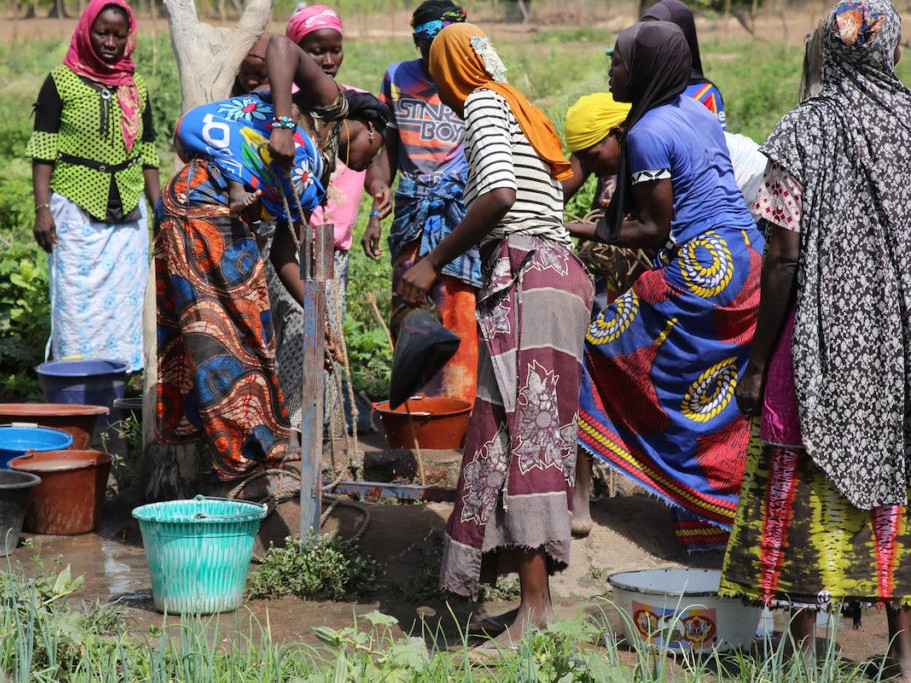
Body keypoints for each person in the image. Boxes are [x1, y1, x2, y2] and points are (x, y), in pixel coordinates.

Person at [720, 0, 911, 673]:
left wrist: (753, 359)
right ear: (889, 50)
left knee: (799, 477)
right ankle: (901, 656)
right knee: (895, 480)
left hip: (815, 343)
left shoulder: (800, 131)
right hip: (898, 345)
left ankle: (798, 649)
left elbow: (781, 256)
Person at [398, 23, 593, 647]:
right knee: (498, 436)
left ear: (453, 68)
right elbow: (552, 186)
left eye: (436, 68)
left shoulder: (483, 103)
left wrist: (432, 261)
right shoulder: (516, 106)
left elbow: (501, 193)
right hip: (555, 275)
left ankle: (535, 613)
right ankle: (487, 600)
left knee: (526, 438)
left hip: (530, 274)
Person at [155, 35, 386, 490]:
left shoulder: (314, 177)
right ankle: (245, 467)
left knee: (236, 339)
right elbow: (281, 45)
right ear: (369, 129)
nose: (367, 164)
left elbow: (284, 254)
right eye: (374, 152)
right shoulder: (332, 106)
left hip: (209, 211)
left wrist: (320, 322)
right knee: (233, 341)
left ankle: (243, 465)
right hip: (203, 203)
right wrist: (281, 124)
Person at [575, 21, 764, 552]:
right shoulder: (697, 112)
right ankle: (711, 517)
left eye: (617, 61)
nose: (610, 71)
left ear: (643, 69)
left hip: (706, 267)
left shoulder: (648, 130)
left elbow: (654, 229)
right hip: (748, 257)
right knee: (711, 388)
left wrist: (572, 226)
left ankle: (581, 498)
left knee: (599, 348)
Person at [272, 4, 388, 433]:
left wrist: (378, 186)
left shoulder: (351, 102)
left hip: (334, 241)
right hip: (292, 238)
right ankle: (295, 427)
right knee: (295, 329)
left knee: (327, 334)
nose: (326, 60)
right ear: (298, 52)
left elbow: (375, 148)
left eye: (333, 50)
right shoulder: (285, 105)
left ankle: (323, 425)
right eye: (314, 51)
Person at [28, 0, 159, 372]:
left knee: (126, 301)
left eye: (120, 35)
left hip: (128, 209)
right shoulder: (61, 81)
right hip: (74, 205)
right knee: (76, 300)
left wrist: (159, 211)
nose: (111, 42)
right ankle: (75, 381)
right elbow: (43, 149)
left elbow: (148, 151)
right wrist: (43, 209)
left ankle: (120, 387)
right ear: (87, 31)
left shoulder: (135, 85)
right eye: (103, 33)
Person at [366, 0, 482, 405]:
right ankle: (416, 417)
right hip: (412, 214)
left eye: (441, 45)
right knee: (413, 313)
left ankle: (460, 416)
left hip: (462, 213)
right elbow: (386, 153)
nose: (432, 56)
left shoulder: (477, 80)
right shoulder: (397, 78)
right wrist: (377, 195)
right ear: (415, 41)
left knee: (460, 315)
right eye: (424, 45)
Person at [642, 0, 725, 128]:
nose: (648, 41)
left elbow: (715, 143)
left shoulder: (705, 94)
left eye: (658, 32)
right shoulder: (638, 85)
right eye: (645, 31)